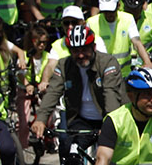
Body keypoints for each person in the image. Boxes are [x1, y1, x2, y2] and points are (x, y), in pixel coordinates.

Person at [33, 23, 126, 154]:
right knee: (69, 150)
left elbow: (111, 96)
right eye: (76, 51)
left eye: (84, 50)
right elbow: (53, 92)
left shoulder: (107, 63)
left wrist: (110, 126)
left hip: (108, 118)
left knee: (108, 157)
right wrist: (40, 120)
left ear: (93, 47)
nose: (80, 55)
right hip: (81, 120)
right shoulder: (64, 65)